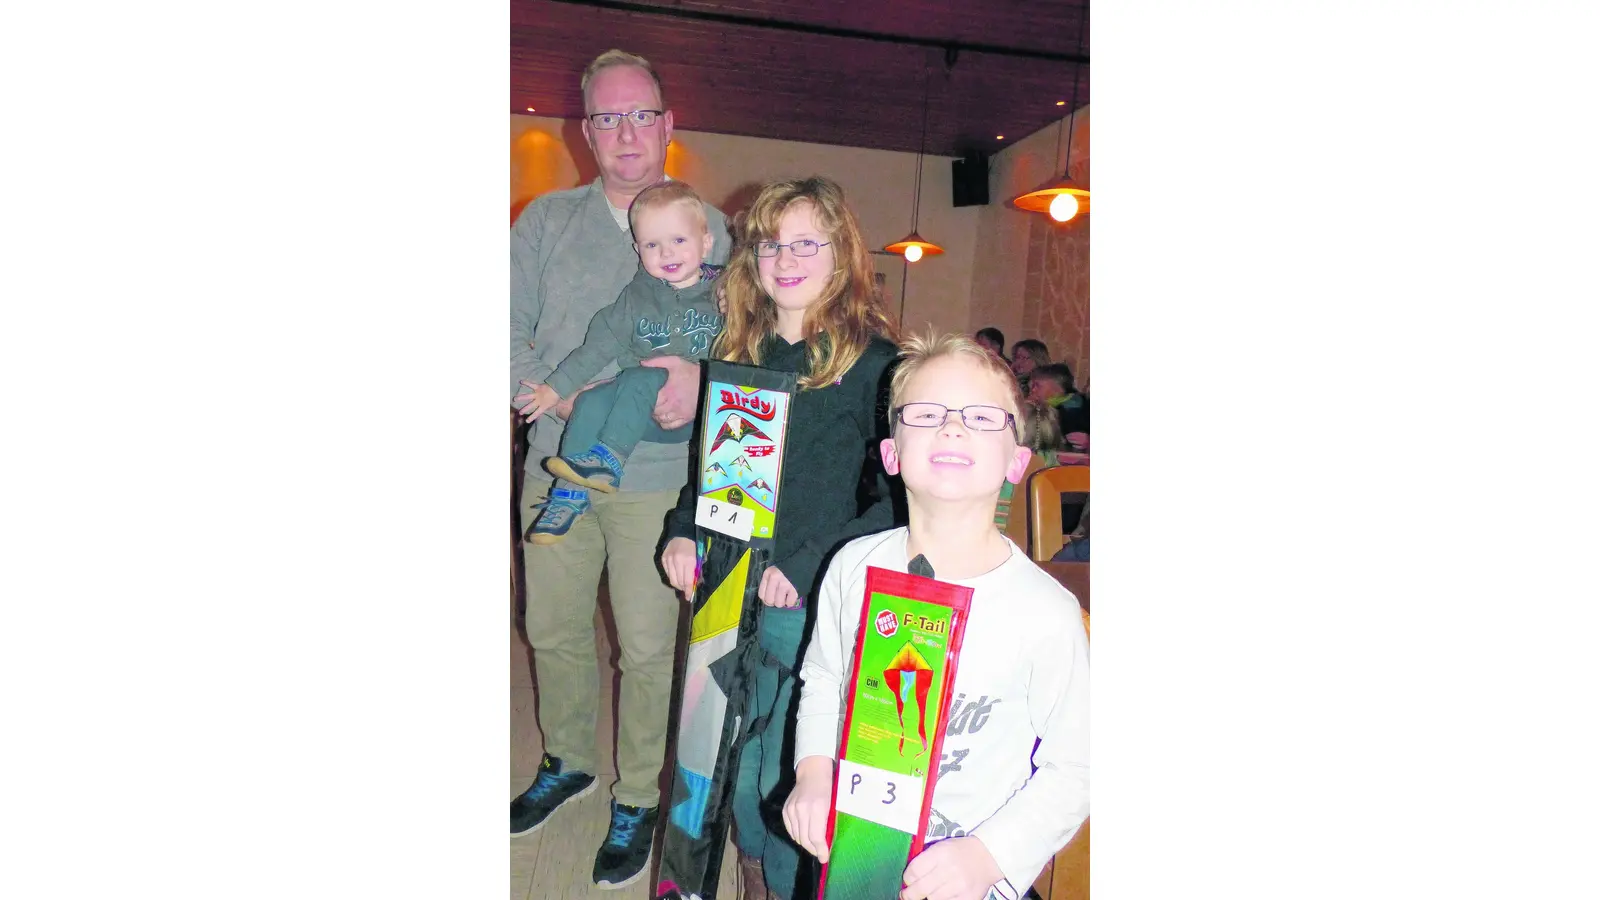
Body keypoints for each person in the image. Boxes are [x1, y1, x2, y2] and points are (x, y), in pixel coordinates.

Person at [508, 48, 732, 892]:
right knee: (554, 626)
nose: (626, 132)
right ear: (586, 132)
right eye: (608, 117)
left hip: (662, 480)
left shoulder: (716, 228)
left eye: (642, 114)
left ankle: (637, 795)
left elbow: (756, 344)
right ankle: (567, 760)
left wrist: (701, 382)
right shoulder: (546, 221)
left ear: (670, 125)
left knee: (645, 649)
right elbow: (504, 326)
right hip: (558, 461)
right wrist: (560, 402)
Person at [658, 176, 901, 900]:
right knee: (720, 752)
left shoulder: (875, 366)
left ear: (841, 255)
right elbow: (710, 474)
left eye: (806, 242)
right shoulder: (745, 354)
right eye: (771, 244)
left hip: (811, 595)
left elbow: (895, 503)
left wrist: (803, 564)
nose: (786, 258)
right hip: (728, 583)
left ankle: (786, 880)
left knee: (784, 764)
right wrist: (679, 533)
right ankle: (755, 869)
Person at [782, 332, 1090, 900]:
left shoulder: (1045, 613)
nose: (952, 427)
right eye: (926, 414)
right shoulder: (851, 566)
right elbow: (825, 678)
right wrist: (813, 770)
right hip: (854, 852)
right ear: (891, 454)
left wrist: (986, 857)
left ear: (1018, 460)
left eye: (980, 416)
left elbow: (1077, 768)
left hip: (967, 877)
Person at [519, 180, 724, 543]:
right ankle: (569, 493)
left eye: (679, 240)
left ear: (705, 242)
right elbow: (598, 345)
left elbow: (753, 355)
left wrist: (710, 382)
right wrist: (555, 388)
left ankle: (608, 459)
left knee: (643, 376)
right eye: (652, 245)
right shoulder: (637, 298)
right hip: (634, 407)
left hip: (682, 423)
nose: (666, 253)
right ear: (638, 250)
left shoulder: (727, 294)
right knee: (592, 399)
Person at [1025, 361, 1089, 453]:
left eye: (1037, 386)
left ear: (1058, 389)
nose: (1032, 390)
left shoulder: (1072, 410)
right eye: (1031, 386)